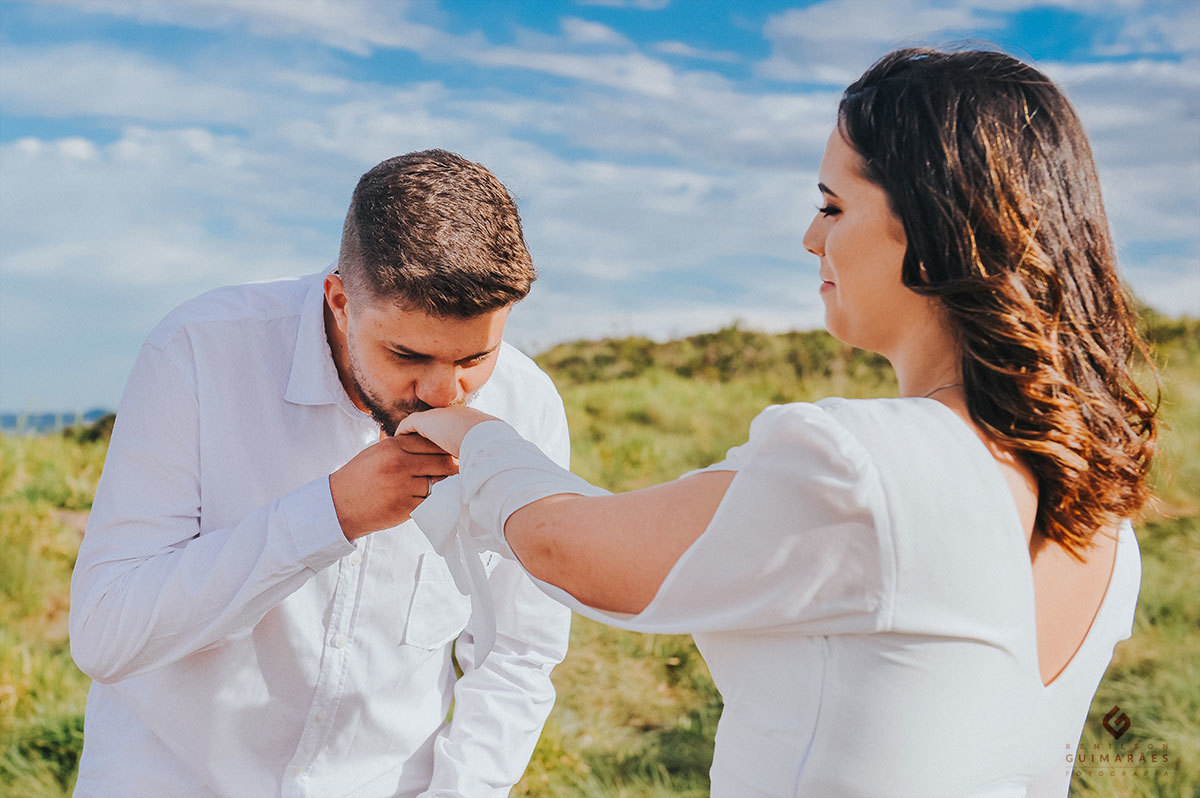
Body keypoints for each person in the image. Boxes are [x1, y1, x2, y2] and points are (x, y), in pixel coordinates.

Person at [399, 49, 1159, 796]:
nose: (809, 237)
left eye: (833, 206)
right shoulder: (1100, 513)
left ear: (934, 231)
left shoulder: (860, 465)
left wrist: (474, 433)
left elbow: (571, 549)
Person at [69, 150, 573, 797]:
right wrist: (329, 514)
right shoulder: (200, 352)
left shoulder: (526, 405)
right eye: (407, 354)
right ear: (340, 299)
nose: (444, 392)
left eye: (476, 357)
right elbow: (106, 636)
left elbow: (517, 651)